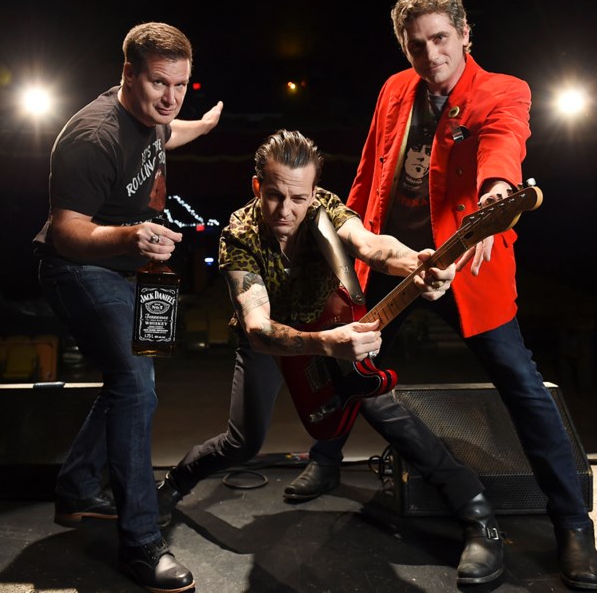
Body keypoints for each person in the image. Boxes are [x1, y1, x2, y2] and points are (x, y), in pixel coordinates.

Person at [282, 0, 597, 590]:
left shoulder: (503, 90)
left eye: (440, 41)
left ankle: (573, 527)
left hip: (465, 267)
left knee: (522, 386)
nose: (430, 57)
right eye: (416, 45)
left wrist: (496, 197)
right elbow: (367, 175)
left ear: (464, 34)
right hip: (394, 263)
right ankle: (326, 460)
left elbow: (505, 145)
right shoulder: (395, 89)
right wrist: (343, 253)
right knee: (353, 365)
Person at [157, 129, 507, 586]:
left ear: (313, 191)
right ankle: (170, 487)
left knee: (387, 412)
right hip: (271, 344)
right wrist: (325, 344)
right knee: (243, 441)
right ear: (256, 186)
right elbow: (259, 328)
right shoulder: (238, 233)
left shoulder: (325, 207)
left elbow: (371, 245)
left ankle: (479, 517)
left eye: (298, 198)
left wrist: (418, 262)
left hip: (330, 331)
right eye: (275, 195)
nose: (287, 211)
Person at [31, 21, 223, 593]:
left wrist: (204, 122)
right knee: (136, 387)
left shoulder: (154, 119)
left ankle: (76, 488)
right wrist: (130, 236)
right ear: (128, 74)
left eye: (181, 85)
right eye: (159, 83)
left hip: (132, 267)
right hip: (78, 268)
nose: (171, 98)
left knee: (135, 384)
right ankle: (140, 544)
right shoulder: (92, 137)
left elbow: (170, 131)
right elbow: (66, 233)